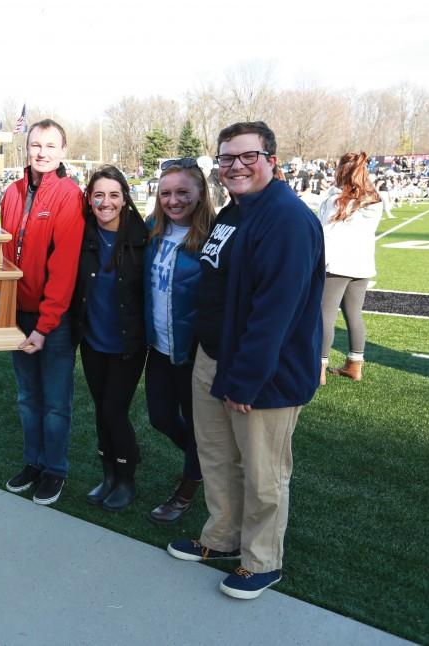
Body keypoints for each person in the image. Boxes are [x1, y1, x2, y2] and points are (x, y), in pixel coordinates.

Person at [166, 122, 324, 600]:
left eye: (246, 156)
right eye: (227, 158)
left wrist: (246, 379)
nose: (235, 166)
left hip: (261, 373)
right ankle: (222, 536)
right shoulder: (234, 212)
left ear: (271, 159)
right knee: (217, 457)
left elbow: (275, 312)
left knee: (262, 473)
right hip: (213, 358)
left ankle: (262, 561)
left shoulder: (287, 219)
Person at [0, 118, 85, 506]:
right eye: (36, 145)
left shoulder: (69, 195)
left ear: (62, 151)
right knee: (26, 397)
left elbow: (64, 267)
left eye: (51, 146)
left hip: (54, 320)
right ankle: (33, 462)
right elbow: (4, 258)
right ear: (27, 147)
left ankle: (55, 469)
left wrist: (46, 325)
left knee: (54, 401)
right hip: (18, 315)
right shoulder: (13, 192)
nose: (42, 152)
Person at [143, 158, 215, 524]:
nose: (173, 200)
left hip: (194, 352)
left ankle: (188, 485)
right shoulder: (152, 228)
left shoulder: (212, 236)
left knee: (197, 422)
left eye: (183, 192)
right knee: (160, 417)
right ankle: (205, 460)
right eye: (166, 193)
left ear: (200, 193)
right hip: (158, 347)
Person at [70, 166, 146, 511]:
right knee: (101, 410)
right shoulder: (83, 235)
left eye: (114, 194)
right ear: (89, 199)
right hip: (93, 341)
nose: (106, 202)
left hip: (127, 344)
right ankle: (108, 476)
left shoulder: (141, 238)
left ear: (125, 198)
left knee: (115, 410)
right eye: (98, 195)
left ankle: (126, 477)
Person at [318, 152, 382, 384]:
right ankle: (355, 365)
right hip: (362, 264)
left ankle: (319, 367)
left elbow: (323, 233)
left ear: (342, 171)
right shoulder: (374, 200)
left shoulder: (335, 199)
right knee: (354, 314)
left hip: (336, 264)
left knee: (325, 315)